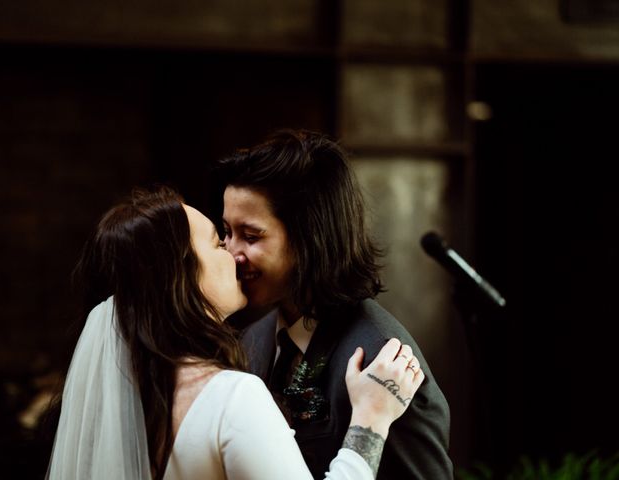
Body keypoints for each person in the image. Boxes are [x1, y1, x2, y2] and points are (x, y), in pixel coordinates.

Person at [46, 186, 426, 480]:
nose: (233, 254)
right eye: (218, 240)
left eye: (245, 236)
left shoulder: (125, 394)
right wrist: (371, 419)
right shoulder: (231, 397)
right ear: (183, 277)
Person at [215, 130, 454, 479]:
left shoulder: (383, 364)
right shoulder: (251, 338)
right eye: (226, 232)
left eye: (251, 237)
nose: (232, 254)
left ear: (310, 238)